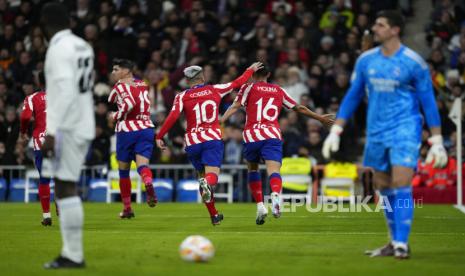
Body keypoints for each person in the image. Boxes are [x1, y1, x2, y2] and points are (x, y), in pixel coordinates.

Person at [322, 10, 448, 259]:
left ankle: (401, 242)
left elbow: (428, 101)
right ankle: (394, 241)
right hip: (377, 130)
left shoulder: (413, 62)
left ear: (395, 30)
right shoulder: (366, 60)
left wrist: (436, 140)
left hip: (405, 128)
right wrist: (336, 129)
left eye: (380, 25)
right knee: (383, 185)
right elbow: (353, 95)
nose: (375, 28)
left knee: (401, 182)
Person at [220, 65, 334, 225]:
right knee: (273, 170)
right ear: (269, 74)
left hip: (252, 135)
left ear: (253, 75)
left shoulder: (248, 88)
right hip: (272, 134)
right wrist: (320, 118)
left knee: (253, 169)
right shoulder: (278, 90)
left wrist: (220, 122)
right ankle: (275, 195)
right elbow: (299, 108)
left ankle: (260, 205)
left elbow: (234, 107)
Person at [155, 62, 263, 225]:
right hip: (211, 138)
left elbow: (172, 117)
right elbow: (237, 82)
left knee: (201, 177)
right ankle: (208, 185)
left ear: (187, 81)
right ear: (202, 77)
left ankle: (214, 215)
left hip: (192, 142)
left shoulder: (181, 96)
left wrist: (160, 135)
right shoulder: (215, 89)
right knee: (211, 177)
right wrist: (250, 69)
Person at [40, 2, 96, 269]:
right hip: (84, 122)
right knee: (65, 184)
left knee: (64, 186)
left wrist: (51, 132)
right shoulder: (83, 46)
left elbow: (63, 90)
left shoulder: (57, 48)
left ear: (45, 25)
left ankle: (73, 255)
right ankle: (71, 253)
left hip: (68, 126)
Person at [108, 58, 157, 219]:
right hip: (147, 128)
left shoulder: (120, 85)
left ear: (126, 71)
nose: (113, 73)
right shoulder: (143, 83)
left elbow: (128, 103)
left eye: (116, 69)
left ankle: (127, 208)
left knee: (124, 170)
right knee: (143, 166)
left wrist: (115, 115)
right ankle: (148, 181)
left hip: (127, 130)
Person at [19, 72, 54, 226]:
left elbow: (25, 117)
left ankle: (47, 215)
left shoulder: (32, 98)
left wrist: (23, 132)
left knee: (44, 179)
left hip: (41, 141)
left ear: (38, 82)